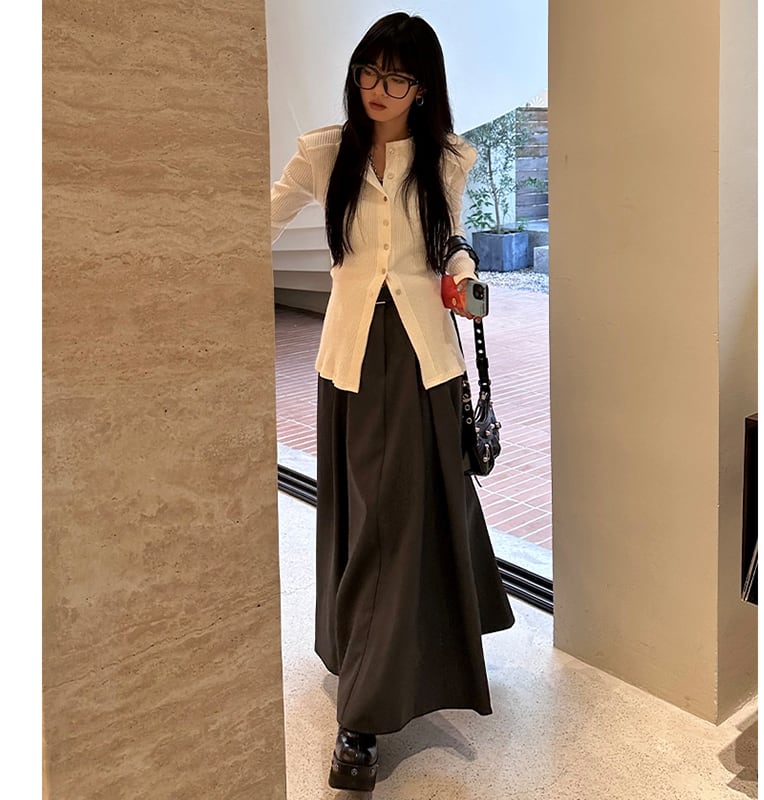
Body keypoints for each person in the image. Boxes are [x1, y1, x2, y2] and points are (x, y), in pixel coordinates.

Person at [270, 11, 515, 792]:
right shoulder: (324, 152)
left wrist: (466, 278)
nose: (379, 88)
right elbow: (256, 219)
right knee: (375, 517)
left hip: (423, 357)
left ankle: (364, 717)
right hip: (350, 358)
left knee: (405, 514)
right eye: (370, 70)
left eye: (398, 76)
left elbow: (451, 242)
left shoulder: (447, 159)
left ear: (423, 88)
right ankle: (371, 686)